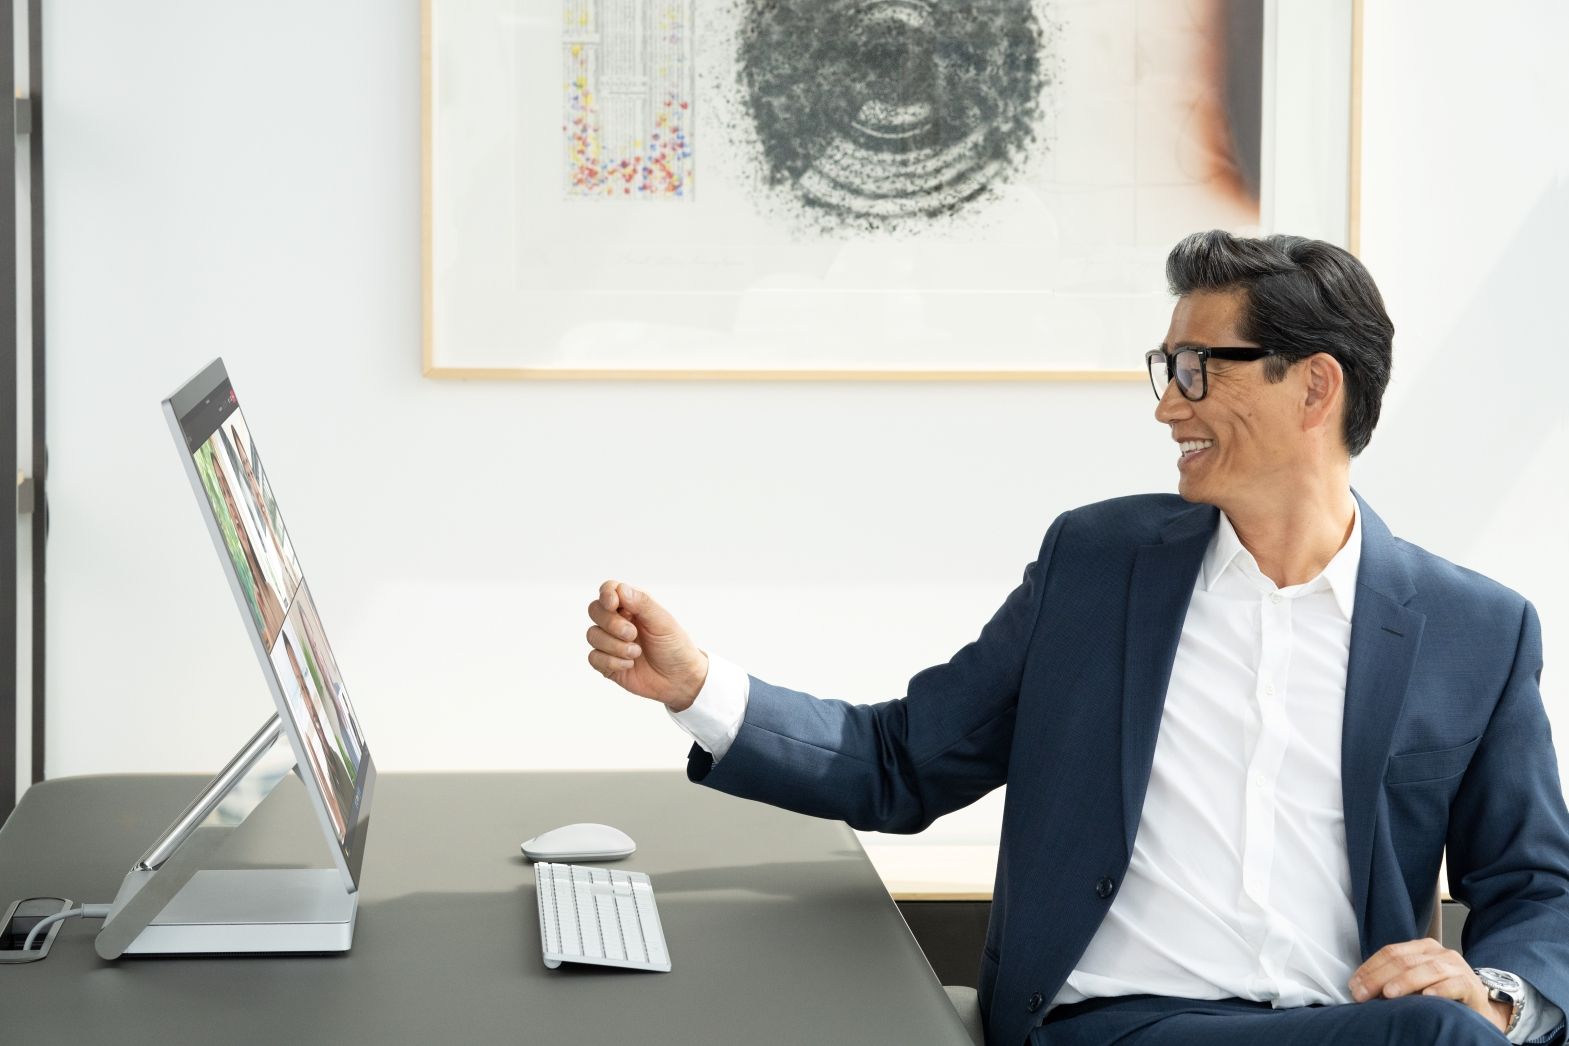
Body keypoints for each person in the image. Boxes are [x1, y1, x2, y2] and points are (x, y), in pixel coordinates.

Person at [585, 231, 1569, 1046]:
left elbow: (1530, 880)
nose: (1165, 403)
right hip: (1115, 1024)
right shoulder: (1099, 565)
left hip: (1341, 1024)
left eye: (1195, 369)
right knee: (1437, 1042)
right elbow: (903, 761)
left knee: (1452, 1031)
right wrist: (697, 685)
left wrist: (1504, 996)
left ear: (1314, 389)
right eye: (1164, 368)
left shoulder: (1474, 628)